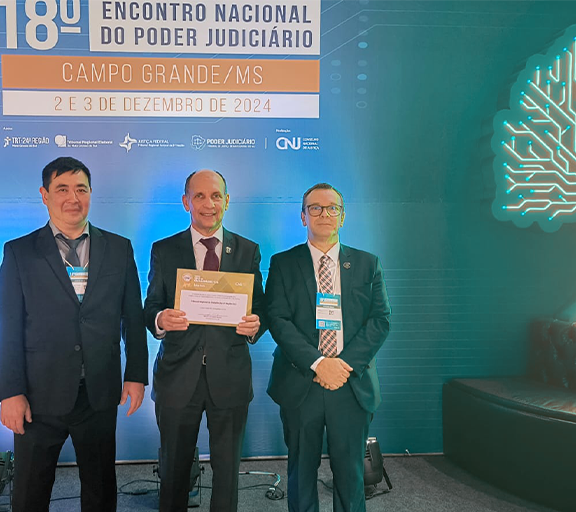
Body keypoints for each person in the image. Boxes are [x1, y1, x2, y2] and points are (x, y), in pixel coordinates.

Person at [0, 156, 149, 512]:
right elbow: (8, 327)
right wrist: (11, 392)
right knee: (31, 491)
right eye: (62, 189)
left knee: (100, 488)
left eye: (81, 189)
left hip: (98, 392)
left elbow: (132, 316)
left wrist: (136, 375)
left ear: (91, 194)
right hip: (38, 395)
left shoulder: (119, 249)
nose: (72, 198)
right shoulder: (19, 252)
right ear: (44, 195)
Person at [144, 169, 265, 512]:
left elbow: (261, 305)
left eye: (215, 196)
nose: (208, 204)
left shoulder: (247, 250)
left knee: (227, 473)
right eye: (199, 196)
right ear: (186, 202)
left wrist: (257, 324)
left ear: (226, 201)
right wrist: (159, 319)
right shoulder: (165, 250)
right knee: (174, 470)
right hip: (177, 378)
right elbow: (151, 305)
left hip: (230, 376)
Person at [266, 183, 391, 512]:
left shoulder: (367, 264)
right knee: (300, 471)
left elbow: (380, 320)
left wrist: (341, 365)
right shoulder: (283, 263)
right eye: (315, 208)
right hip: (301, 381)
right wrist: (319, 363)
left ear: (343, 216)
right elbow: (277, 319)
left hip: (350, 384)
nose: (324, 213)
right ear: (303, 217)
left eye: (332, 207)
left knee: (351, 474)